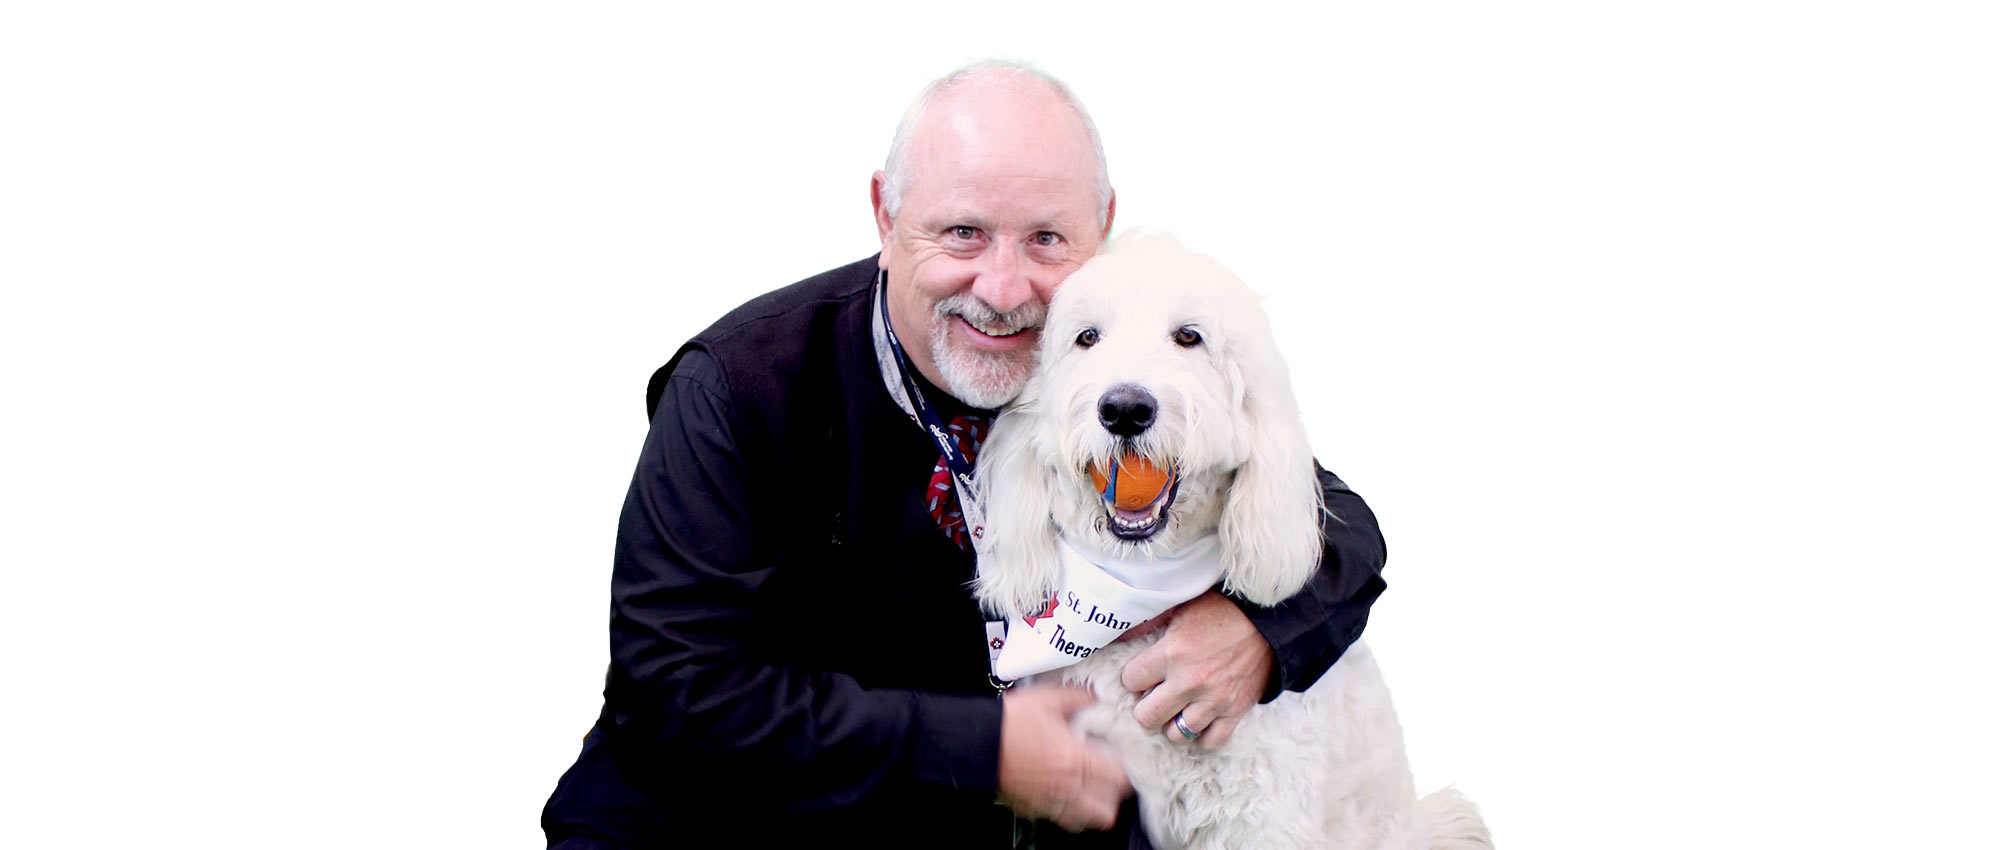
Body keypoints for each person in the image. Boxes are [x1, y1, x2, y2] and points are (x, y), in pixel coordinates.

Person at [541, 62, 1387, 849]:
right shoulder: (737, 387)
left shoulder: (1096, 361)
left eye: (1047, 240)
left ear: (1103, 228)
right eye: (962, 234)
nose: (1005, 289)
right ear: (884, 214)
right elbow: (679, 688)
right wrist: (982, 749)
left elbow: (1323, 506)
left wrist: (1265, 630)